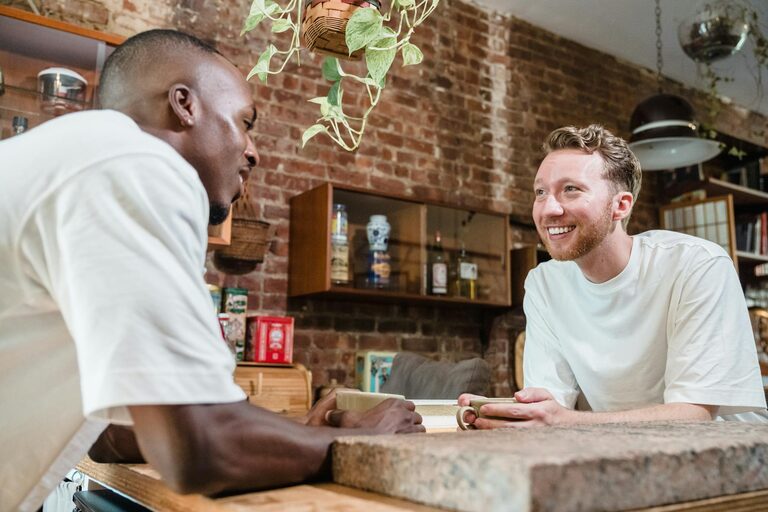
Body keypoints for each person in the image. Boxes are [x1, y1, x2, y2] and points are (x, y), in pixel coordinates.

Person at [0, 29, 423, 512]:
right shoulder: (133, 163)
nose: (252, 152)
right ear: (184, 104)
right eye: (244, 122)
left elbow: (111, 436)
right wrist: (362, 443)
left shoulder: (83, 156)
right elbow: (198, 449)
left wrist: (295, 434)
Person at [459, 124, 767, 428]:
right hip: (619, 452)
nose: (548, 209)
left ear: (620, 206)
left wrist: (565, 421)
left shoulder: (697, 265)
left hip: (728, 458)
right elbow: (550, 406)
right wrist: (507, 416)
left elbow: (694, 415)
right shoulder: (544, 283)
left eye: (570, 189)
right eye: (541, 192)